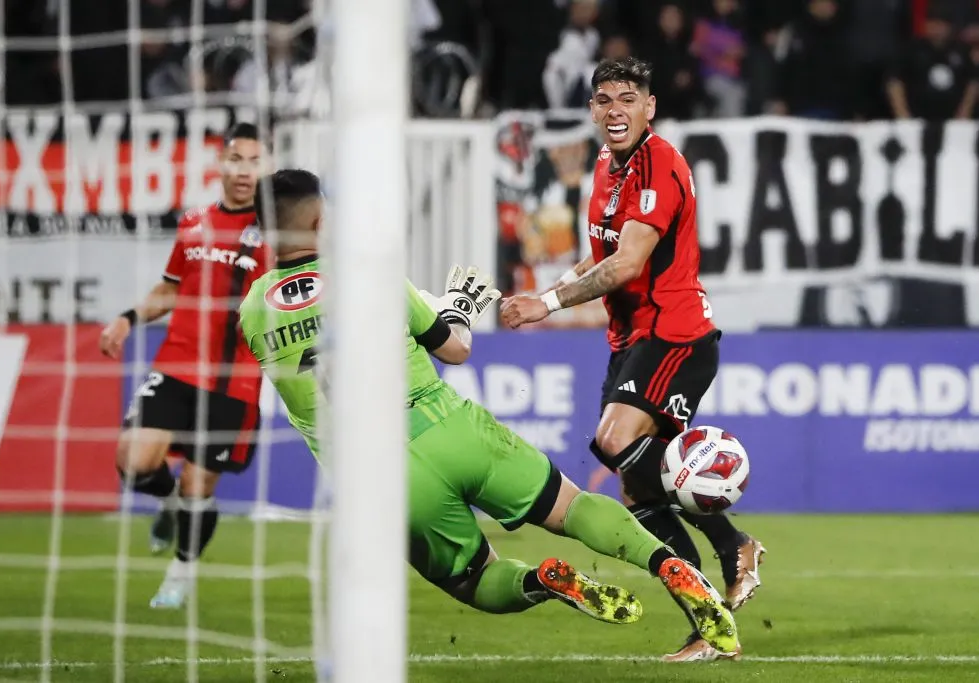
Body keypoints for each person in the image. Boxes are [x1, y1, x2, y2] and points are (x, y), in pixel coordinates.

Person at [237, 169, 740, 658]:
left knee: (473, 580)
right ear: (323, 220)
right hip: (449, 426)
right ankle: (665, 561)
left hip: (376, 476)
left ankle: (543, 580)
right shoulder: (368, 274)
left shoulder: (253, 311)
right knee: (574, 507)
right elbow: (455, 350)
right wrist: (455, 310)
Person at [500, 57, 763, 662]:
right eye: (603, 99)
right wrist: (546, 290)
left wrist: (546, 303)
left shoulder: (659, 163)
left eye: (627, 98)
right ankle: (708, 622)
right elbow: (600, 259)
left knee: (614, 438)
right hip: (630, 343)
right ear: (592, 109)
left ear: (650, 107)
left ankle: (734, 545)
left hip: (676, 334)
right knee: (638, 495)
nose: (614, 109)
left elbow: (628, 264)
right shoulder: (603, 167)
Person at [100, 122, 269, 609]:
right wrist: (129, 317)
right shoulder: (194, 221)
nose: (244, 171)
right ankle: (170, 505)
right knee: (131, 462)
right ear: (220, 163)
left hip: (233, 382)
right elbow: (170, 287)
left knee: (200, 484)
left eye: (255, 161)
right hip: (176, 365)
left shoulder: (277, 232)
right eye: (236, 159)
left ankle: (180, 573)